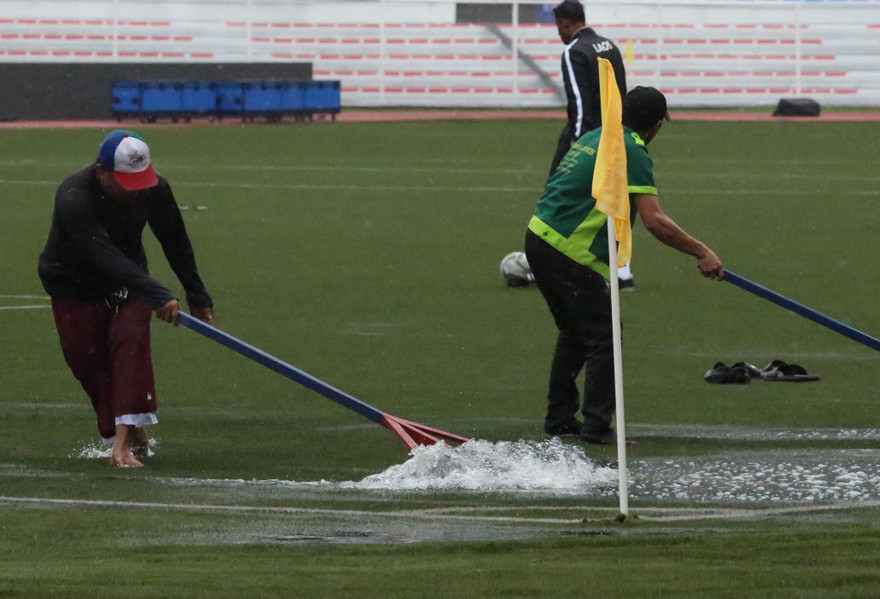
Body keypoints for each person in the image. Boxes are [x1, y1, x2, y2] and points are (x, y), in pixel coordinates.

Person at [525, 87, 724, 444]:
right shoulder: (631, 149)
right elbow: (654, 220)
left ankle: (560, 418)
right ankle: (596, 425)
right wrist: (701, 251)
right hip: (567, 250)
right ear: (657, 125)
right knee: (604, 335)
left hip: (539, 237)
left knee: (575, 331)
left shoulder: (598, 135)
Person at [38, 130, 214, 468]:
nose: (134, 191)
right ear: (102, 171)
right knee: (89, 366)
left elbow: (174, 237)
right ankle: (123, 428)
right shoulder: (73, 195)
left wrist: (196, 292)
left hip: (130, 281)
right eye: (124, 182)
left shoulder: (153, 189)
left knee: (130, 351)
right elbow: (102, 253)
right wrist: (158, 293)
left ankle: (122, 444)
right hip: (73, 284)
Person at [549, 0, 635, 290]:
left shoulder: (574, 51)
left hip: (587, 137)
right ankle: (621, 270)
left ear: (563, 22)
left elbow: (580, 105)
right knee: (614, 201)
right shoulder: (607, 45)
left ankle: (555, 264)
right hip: (615, 134)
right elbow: (619, 92)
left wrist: (576, 147)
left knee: (561, 198)